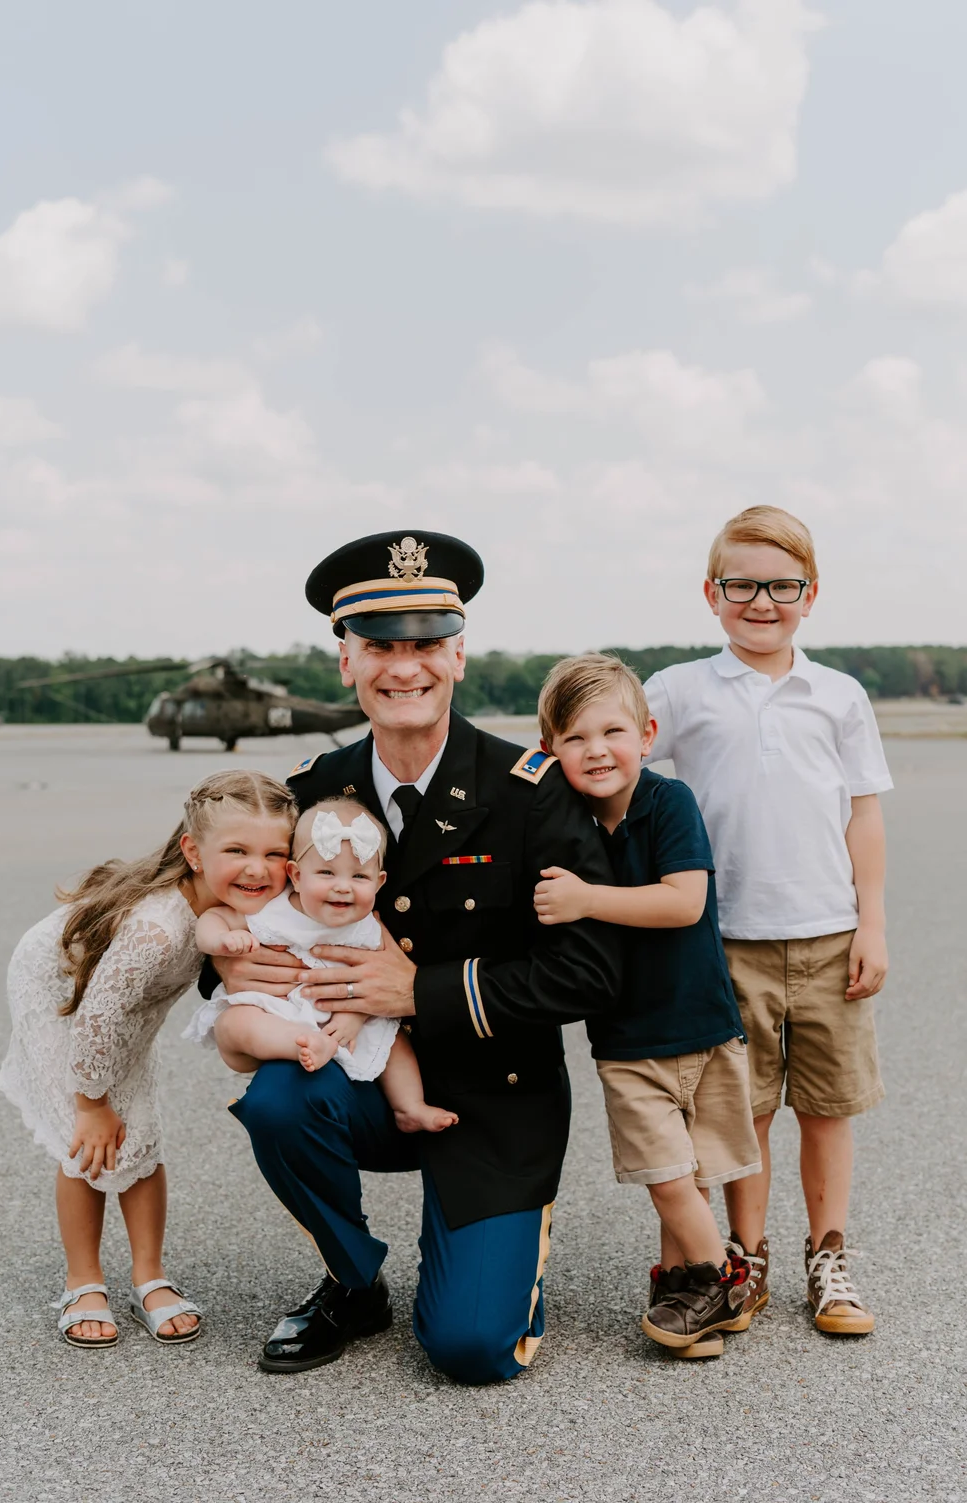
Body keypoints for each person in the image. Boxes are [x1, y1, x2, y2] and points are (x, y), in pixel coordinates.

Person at [204, 529, 623, 1382]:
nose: (405, 667)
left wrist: (419, 990)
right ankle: (352, 1282)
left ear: (460, 656)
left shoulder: (527, 791)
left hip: (493, 1094)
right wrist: (227, 959)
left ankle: (499, 1259)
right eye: (380, 647)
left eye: (427, 644)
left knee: (470, 1350)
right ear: (345, 663)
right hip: (358, 1077)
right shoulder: (311, 789)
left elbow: (593, 968)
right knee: (281, 1100)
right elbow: (224, 886)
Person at [643, 506, 892, 1335]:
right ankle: (745, 1256)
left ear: (810, 594)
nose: (762, 601)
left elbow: (862, 816)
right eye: (742, 584)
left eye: (781, 585)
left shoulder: (839, 695)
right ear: (711, 593)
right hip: (725, 939)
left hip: (829, 933)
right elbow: (609, 754)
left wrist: (874, 923)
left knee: (828, 1105)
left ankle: (829, 1255)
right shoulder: (681, 689)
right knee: (741, 1111)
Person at [0, 769, 296, 1348]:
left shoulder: (234, 900)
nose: (258, 868)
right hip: (63, 994)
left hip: (118, 1007)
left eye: (274, 852)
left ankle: (148, 1275)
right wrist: (90, 1105)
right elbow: (98, 1016)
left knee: (142, 1135)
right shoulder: (158, 930)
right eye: (236, 850)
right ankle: (82, 1281)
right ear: (193, 851)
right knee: (89, 1144)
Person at [533, 652, 760, 1358]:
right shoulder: (562, 824)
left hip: (702, 1025)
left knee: (693, 1172)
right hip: (628, 1043)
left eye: (612, 731)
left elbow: (684, 900)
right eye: (574, 737)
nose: (596, 749)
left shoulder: (668, 802)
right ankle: (726, 1283)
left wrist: (585, 898)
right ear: (550, 750)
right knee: (666, 1178)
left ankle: (693, 1291)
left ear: (647, 733)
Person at [185, 795, 457, 1133]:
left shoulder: (369, 928)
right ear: (296, 876)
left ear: (379, 883)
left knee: (394, 1041)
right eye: (326, 872)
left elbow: (382, 983)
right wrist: (221, 943)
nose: (342, 887)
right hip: (279, 1013)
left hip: (347, 1018)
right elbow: (214, 918)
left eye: (359, 877)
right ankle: (298, 1041)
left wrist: (354, 1016)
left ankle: (410, 1107)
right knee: (235, 1022)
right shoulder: (275, 910)